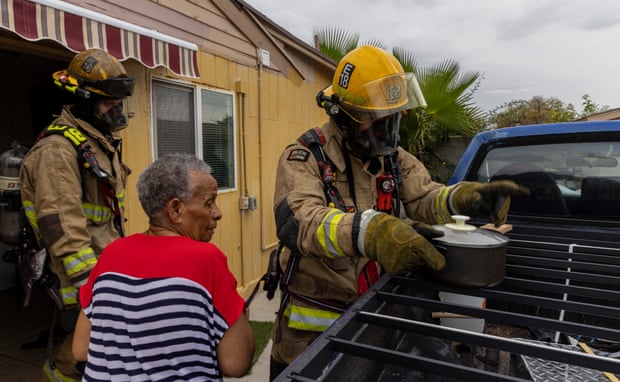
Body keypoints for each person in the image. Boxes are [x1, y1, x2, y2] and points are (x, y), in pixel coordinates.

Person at [269, 45, 528, 379]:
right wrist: (372, 231)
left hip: (375, 317)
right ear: (344, 116)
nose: (389, 128)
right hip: (312, 336)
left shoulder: (392, 157)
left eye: (394, 116)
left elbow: (424, 196)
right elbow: (298, 221)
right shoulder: (305, 157)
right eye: (377, 119)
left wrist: (464, 198)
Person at [72, 153, 255, 380]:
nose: (218, 213)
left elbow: (80, 349)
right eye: (209, 203)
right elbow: (236, 363)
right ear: (175, 210)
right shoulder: (205, 260)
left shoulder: (111, 253)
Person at [19, 48, 135, 382]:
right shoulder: (57, 149)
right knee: (82, 351)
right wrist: (90, 284)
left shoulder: (95, 141)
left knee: (96, 350)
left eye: (119, 105)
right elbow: (60, 222)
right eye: (108, 105)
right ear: (83, 101)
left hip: (104, 267)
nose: (117, 113)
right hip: (79, 275)